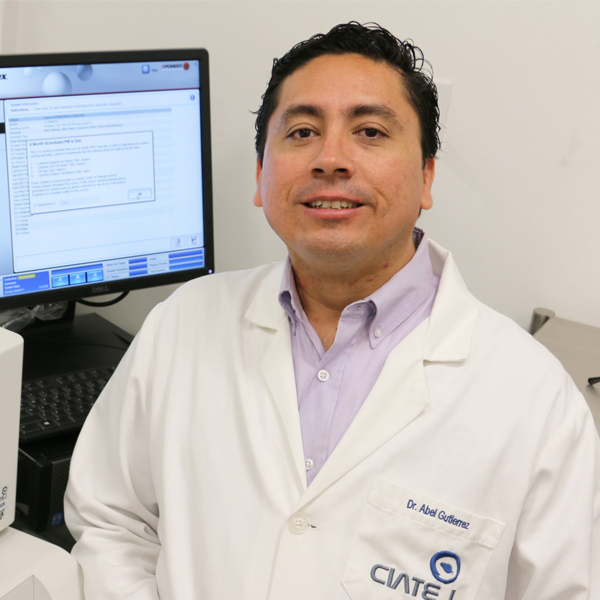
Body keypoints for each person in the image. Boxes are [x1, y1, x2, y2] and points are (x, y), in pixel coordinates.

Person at [65, 22, 600, 599]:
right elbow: (111, 520)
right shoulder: (183, 323)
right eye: (302, 132)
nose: (330, 159)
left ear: (426, 175)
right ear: (261, 176)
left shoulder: (536, 400)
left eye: (370, 131)